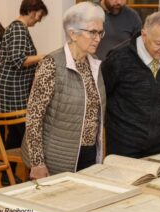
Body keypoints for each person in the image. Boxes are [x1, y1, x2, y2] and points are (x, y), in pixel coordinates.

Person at [21, 2, 106, 179]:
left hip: (88, 154)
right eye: (92, 32)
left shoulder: (94, 63)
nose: (98, 38)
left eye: (100, 32)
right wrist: (37, 162)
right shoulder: (52, 64)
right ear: (73, 34)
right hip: (55, 159)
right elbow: (34, 117)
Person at [102, 12, 160, 158]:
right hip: (124, 144)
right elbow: (102, 95)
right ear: (144, 35)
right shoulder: (119, 58)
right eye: (158, 43)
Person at [0, 0, 48, 184]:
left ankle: (8, 175)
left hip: (12, 90)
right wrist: (43, 57)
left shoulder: (19, 29)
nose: (39, 20)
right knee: (25, 133)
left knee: (16, 135)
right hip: (11, 92)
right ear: (32, 10)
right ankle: (25, 175)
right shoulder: (18, 29)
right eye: (39, 15)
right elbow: (19, 60)